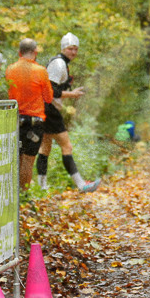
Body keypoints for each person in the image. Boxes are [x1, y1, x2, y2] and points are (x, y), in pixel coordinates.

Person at [37, 32, 101, 193]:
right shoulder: (58, 64)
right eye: (71, 49)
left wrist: (71, 91)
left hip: (46, 108)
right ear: (64, 48)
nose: (74, 52)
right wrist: (72, 95)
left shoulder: (60, 63)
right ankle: (81, 184)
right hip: (49, 109)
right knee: (67, 146)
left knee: (45, 148)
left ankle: (41, 187)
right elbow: (51, 91)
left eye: (76, 49)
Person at [5, 39, 52, 188]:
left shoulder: (10, 69)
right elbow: (49, 98)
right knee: (28, 161)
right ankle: (23, 196)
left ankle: (13, 199)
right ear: (35, 52)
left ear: (19, 52)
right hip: (34, 123)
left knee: (16, 159)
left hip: (15, 120)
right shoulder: (40, 71)